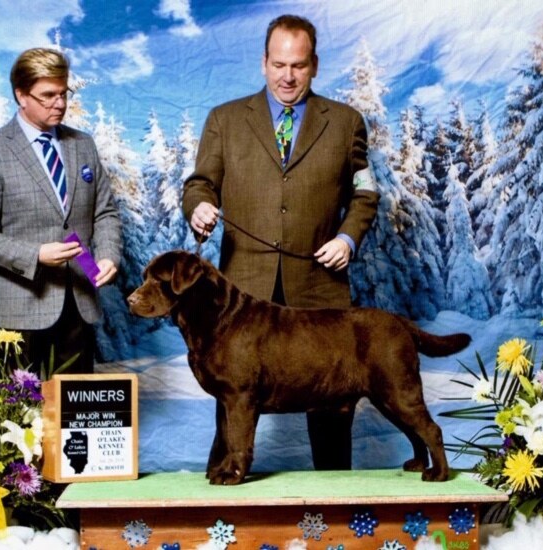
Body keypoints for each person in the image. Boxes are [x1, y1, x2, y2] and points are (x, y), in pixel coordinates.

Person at [182, 15, 379, 470]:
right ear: (263, 63)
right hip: (240, 293)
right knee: (231, 410)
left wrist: (348, 238)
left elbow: (365, 192)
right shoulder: (225, 119)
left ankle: (336, 506)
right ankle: (222, 501)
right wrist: (199, 206)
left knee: (332, 414)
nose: (287, 76)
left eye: (298, 65)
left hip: (318, 288)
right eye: (278, 65)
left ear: (315, 65)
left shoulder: (346, 122)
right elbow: (199, 184)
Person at [0, 47, 121, 375]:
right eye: (48, 95)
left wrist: (108, 256)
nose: (60, 104)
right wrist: (35, 255)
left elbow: (104, 212)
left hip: (79, 305)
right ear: (21, 95)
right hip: (19, 310)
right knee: (20, 407)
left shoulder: (83, 144)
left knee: (74, 407)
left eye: (63, 93)